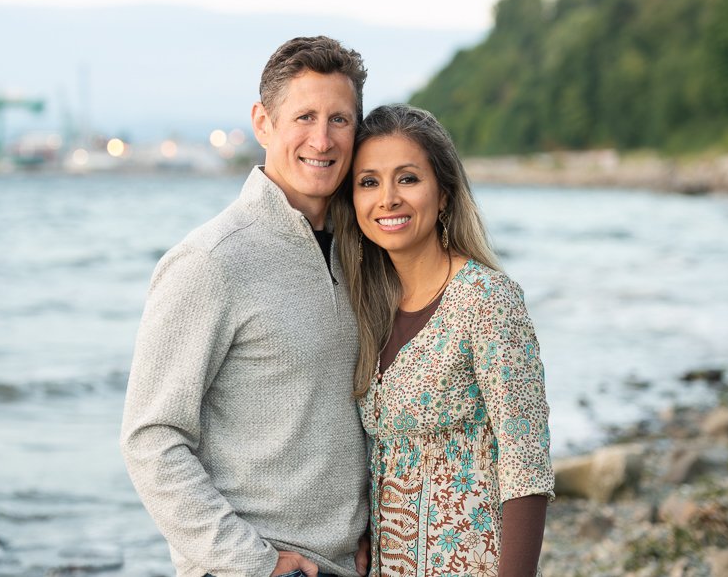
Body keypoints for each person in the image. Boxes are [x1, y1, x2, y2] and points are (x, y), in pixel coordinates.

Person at [121, 36, 371, 577]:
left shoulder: (361, 255)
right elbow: (151, 438)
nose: (322, 140)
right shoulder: (209, 261)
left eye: (340, 120)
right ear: (263, 123)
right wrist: (251, 563)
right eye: (304, 116)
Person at [332, 104, 554, 577]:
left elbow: (526, 466)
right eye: (368, 182)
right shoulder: (368, 311)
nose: (387, 199)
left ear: (445, 195)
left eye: (407, 179)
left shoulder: (487, 300)